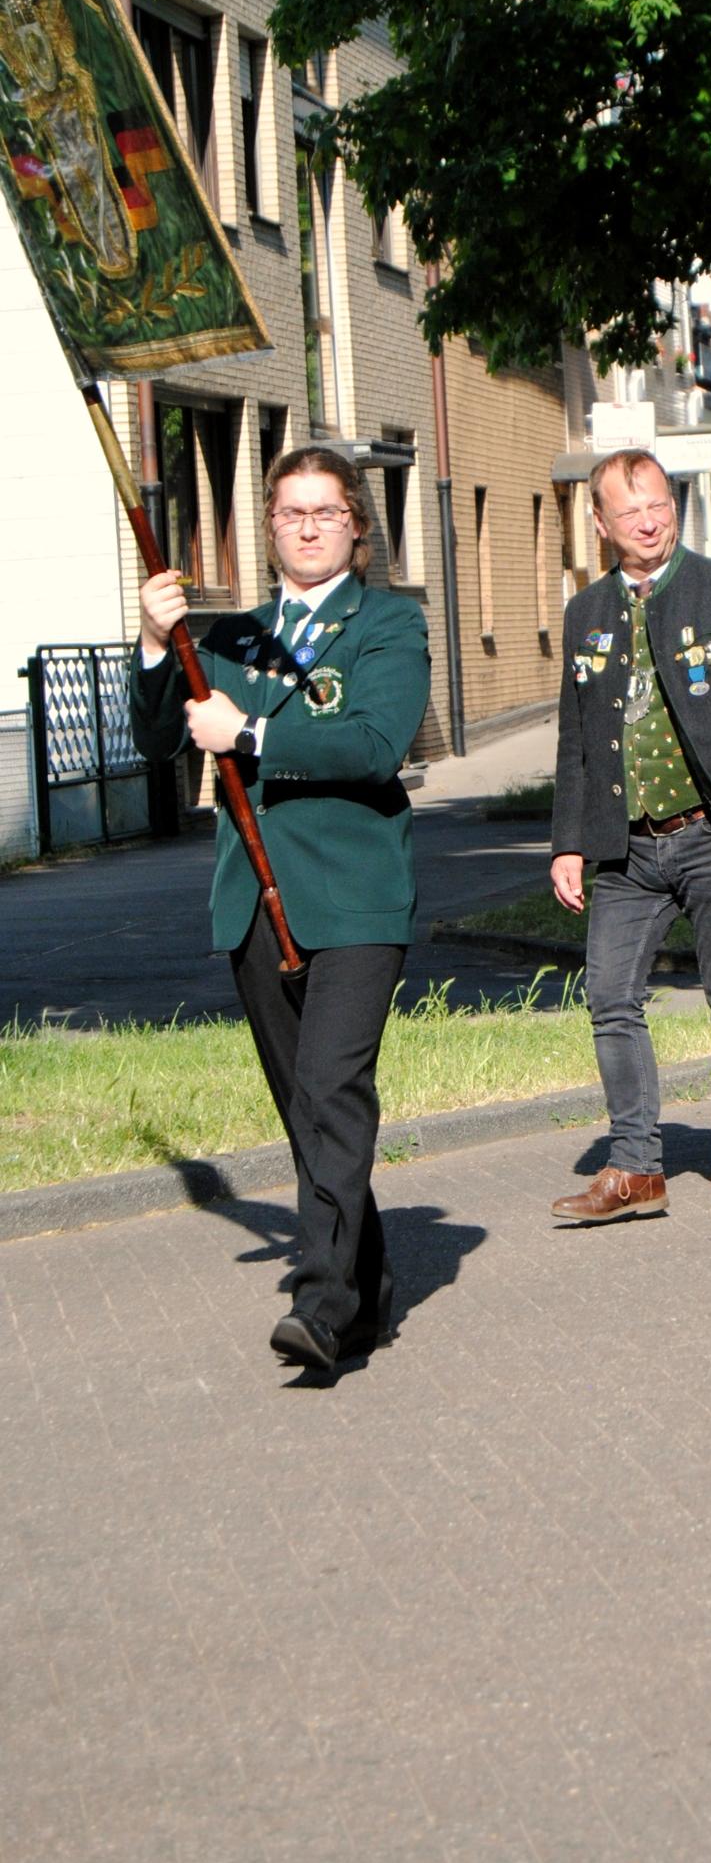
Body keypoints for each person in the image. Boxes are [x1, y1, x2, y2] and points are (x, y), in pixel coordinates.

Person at [129, 447, 431, 1371]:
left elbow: (377, 744)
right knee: (308, 1110)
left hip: (354, 900)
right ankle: (367, 1283)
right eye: (289, 513)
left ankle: (323, 1302)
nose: (306, 527)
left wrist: (253, 733)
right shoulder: (228, 638)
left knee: (332, 1089)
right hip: (254, 905)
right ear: (269, 528)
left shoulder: (388, 624)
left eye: (325, 512)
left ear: (357, 530)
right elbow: (150, 746)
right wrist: (150, 643)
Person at [548, 450, 711, 1222]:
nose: (650, 521)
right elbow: (576, 738)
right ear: (601, 524)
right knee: (610, 998)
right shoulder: (585, 612)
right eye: (630, 512)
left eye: (659, 503)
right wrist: (567, 841)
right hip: (626, 846)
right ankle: (635, 1170)